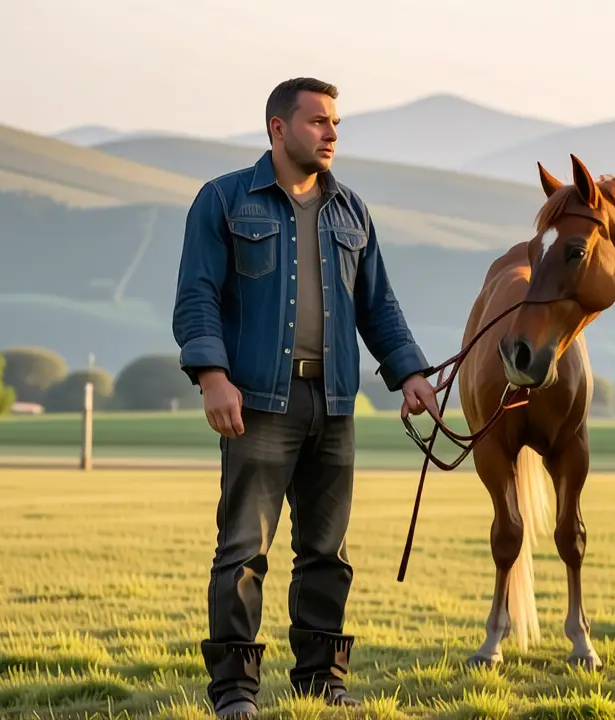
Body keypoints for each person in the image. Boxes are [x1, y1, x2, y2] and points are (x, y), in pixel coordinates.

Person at [171, 76, 440, 717]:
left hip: (336, 403)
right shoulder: (224, 200)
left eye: (335, 124)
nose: (331, 133)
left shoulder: (352, 212)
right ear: (277, 128)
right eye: (318, 121)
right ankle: (235, 691)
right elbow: (195, 297)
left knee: (327, 551)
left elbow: (379, 307)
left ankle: (322, 681)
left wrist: (409, 373)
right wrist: (213, 376)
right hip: (258, 404)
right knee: (243, 549)